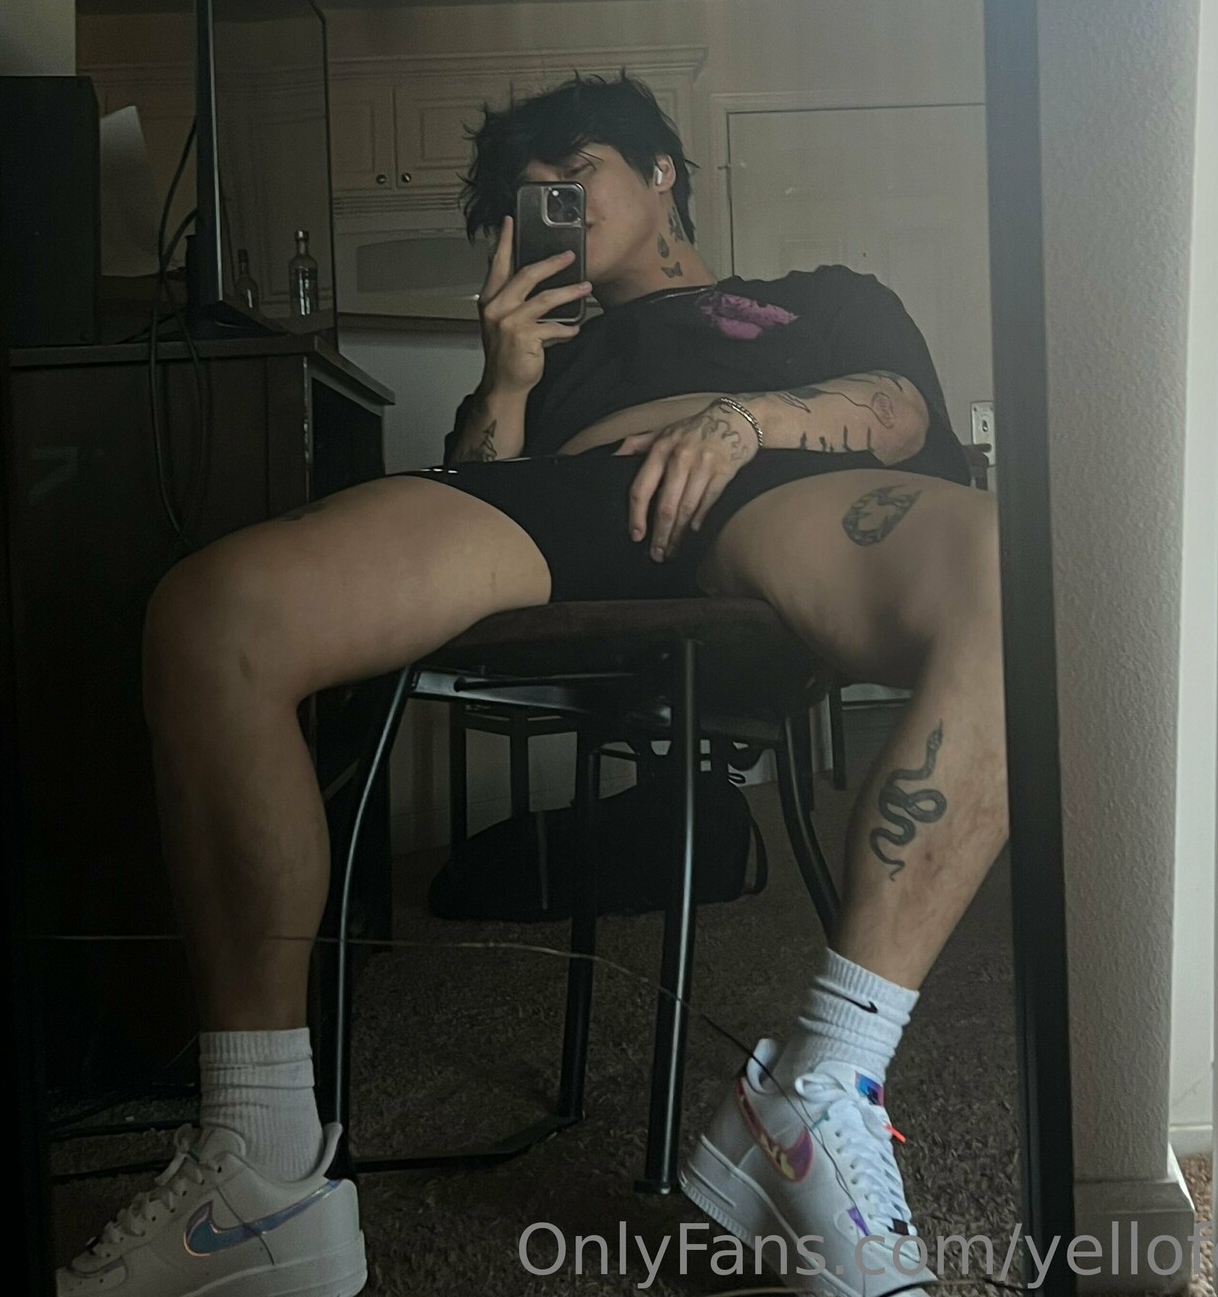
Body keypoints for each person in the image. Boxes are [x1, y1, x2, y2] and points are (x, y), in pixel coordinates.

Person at [58, 73, 1008, 1297]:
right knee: (210, 617)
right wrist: (505, 378)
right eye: (526, 192)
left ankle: (822, 1087)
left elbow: (897, 413)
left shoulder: (819, 296)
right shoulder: (551, 349)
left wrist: (738, 421)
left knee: (1012, 571)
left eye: (576, 169)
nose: (550, 197)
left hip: (774, 483)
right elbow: (480, 489)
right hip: (562, 500)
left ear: (663, 171)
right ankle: (259, 1168)